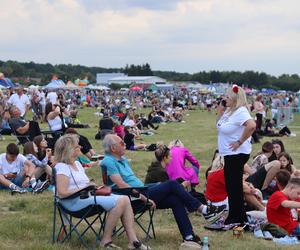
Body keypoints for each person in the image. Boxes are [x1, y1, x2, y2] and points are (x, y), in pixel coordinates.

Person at [101, 134, 226, 247]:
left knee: (175, 199)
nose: (125, 144)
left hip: (143, 190)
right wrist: (144, 198)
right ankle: (203, 209)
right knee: (171, 184)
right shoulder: (109, 161)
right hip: (132, 198)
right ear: (113, 148)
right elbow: (122, 185)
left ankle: (189, 237)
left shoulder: (122, 160)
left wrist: (156, 185)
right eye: (122, 143)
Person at [54, 134, 149, 249]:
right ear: (69, 150)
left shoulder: (78, 164)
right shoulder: (62, 167)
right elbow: (62, 193)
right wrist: (85, 188)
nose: (80, 147)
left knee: (124, 198)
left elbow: (84, 184)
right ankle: (106, 241)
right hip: (73, 202)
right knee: (120, 200)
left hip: (87, 197)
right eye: (76, 146)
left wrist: (92, 186)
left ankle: (133, 241)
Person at [216, 84, 256, 226]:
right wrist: (220, 110)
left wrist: (239, 141)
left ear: (235, 99)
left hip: (237, 154)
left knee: (234, 187)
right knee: (232, 187)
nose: (224, 99)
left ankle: (236, 218)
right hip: (229, 154)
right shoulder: (229, 111)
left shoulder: (241, 111)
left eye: (227, 97)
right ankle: (238, 216)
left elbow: (251, 125)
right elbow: (220, 126)